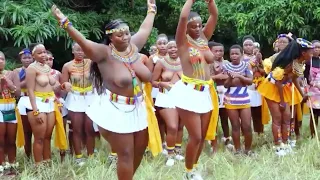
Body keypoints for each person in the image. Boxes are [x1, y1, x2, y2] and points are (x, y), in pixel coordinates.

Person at [52, 1, 162, 179]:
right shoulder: (103, 53)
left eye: (127, 33)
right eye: (119, 35)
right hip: (116, 109)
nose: (125, 37)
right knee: (125, 154)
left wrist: (151, 9)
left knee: (140, 150)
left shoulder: (133, 46)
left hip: (140, 107)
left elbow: (145, 28)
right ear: (111, 38)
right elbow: (81, 40)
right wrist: (65, 22)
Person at [173, 0, 218, 179]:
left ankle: (195, 167)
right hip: (188, 92)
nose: (198, 28)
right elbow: (183, 17)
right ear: (186, 28)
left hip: (205, 92)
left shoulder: (203, 39)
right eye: (193, 26)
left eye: (200, 25)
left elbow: (214, 15)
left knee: (203, 135)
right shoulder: (182, 42)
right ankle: (188, 172)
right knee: (196, 136)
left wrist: (210, 1)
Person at [259, 38, 313, 156]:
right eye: (311, 52)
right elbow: (278, 82)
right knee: (278, 118)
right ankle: (278, 145)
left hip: (283, 88)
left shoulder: (299, 62)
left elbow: (293, 79)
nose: (312, 54)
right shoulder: (289, 64)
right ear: (303, 53)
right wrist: (282, 102)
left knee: (287, 117)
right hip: (272, 88)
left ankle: (285, 142)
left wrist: (303, 94)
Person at [21, 43, 67, 165]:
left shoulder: (47, 68)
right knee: (39, 137)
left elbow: (54, 86)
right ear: (33, 55)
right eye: (40, 52)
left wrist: (63, 86)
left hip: (50, 104)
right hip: (37, 104)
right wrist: (35, 110)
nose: (43, 55)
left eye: (45, 52)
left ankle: (47, 161)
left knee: (47, 136)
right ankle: (38, 165)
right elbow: (30, 89)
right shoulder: (31, 68)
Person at [61, 43, 96, 165]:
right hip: (75, 98)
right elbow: (63, 83)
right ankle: (79, 157)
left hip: (90, 97)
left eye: (82, 50)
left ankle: (91, 156)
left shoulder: (92, 63)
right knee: (76, 129)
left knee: (90, 128)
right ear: (73, 51)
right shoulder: (67, 66)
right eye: (77, 50)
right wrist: (65, 85)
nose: (80, 52)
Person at [152, 40, 184, 166]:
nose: (173, 49)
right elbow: (152, 81)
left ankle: (177, 151)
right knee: (172, 126)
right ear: (166, 49)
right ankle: (169, 154)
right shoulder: (161, 63)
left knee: (180, 127)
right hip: (166, 97)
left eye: (175, 47)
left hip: (182, 97)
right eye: (170, 47)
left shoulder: (185, 62)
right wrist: (162, 83)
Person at [223, 45, 254, 155]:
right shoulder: (226, 67)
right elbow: (226, 85)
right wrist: (230, 78)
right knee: (235, 126)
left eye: (237, 53)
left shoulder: (247, 65)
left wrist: (239, 76)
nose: (234, 56)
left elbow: (250, 81)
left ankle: (248, 149)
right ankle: (238, 150)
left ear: (241, 54)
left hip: (244, 99)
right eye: (232, 54)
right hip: (231, 100)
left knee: (247, 126)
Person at [45, 51, 70, 161]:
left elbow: (63, 90)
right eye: (46, 59)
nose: (48, 61)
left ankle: (62, 154)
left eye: (51, 59)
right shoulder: (37, 73)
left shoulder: (57, 73)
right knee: (47, 131)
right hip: (45, 103)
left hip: (58, 103)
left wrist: (60, 90)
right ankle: (46, 155)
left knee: (62, 129)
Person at [208, 41, 233, 152]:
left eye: (221, 51)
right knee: (214, 118)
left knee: (225, 116)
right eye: (216, 51)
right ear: (211, 52)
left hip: (226, 91)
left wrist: (221, 77)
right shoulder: (208, 63)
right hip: (213, 92)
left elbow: (230, 76)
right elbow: (207, 78)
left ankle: (227, 138)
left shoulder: (227, 62)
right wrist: (218, 76)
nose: (219, 53)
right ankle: (212, 139)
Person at [0, 52, 20, 175]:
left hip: (10, 106)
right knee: (0, 140)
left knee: (11, 139)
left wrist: (8, 81)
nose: (0, 61)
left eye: (2, 58)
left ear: (5, 60)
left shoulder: (12, 73)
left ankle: (12, 164)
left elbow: (17, 93)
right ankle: (2, 165)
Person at [15, 48, 34, 158]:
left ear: (33, 58)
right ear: (21, 59)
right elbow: (16, 87)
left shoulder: (38, 69)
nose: (27, 60)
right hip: (23, 100)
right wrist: (27, 79)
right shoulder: (17, 71)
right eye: (24, 58)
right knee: (26, 130)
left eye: (29, 57)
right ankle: (28, 154)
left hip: (35, 100)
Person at [307, 40, 320, 137]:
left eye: (319, 47)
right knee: (314, 114)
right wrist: (315, 84)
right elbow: (305, 77)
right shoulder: (308, 61)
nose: (317, 49)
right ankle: (313, 134)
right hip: (313, 91)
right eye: (315, 47)